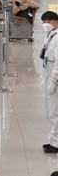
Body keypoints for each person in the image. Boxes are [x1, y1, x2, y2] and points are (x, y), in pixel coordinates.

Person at [42, 11, 58, 153]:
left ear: (55, 21)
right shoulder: (49, 36)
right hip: (48, 74)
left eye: (48, 21)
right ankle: (52, 139)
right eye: (43, 21)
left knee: (55, 112)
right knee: (50, 110)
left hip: (55, 77)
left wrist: (53, 80)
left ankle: (56, 142)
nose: (45, 24)